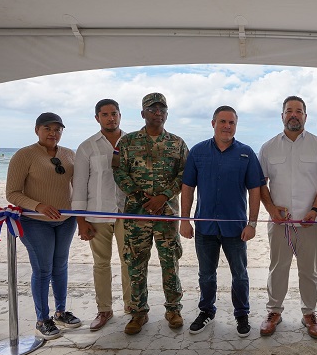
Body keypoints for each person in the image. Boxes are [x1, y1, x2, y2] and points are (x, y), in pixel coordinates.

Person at [180, 106, 265, 337]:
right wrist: (185, 220)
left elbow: (256, 189)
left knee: (240, 274)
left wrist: (253, 224)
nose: (227, 126)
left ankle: (242, 314)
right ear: (213, 123)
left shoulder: (246, 153)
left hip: (236, 228)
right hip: (205, 227)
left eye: (232, 123)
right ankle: (206, 311)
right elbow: (187, 187)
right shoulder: (197, 152)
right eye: (223, 121)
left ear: (236, 125)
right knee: (206, 274)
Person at [258, 96, 317, 339]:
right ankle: (274, 312)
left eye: (299, 111)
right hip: (279, 223)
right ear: (282, 116)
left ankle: (309, 314)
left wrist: (314, 210)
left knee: (309, 271)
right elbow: (260, 183)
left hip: (310, 222)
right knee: (278, 268)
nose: (294, 115)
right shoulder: (268, 147)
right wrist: (270, 209)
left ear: (305, 116)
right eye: (289, 111)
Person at [113, 92, 189, 335]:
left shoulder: (177, 143)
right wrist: (139, 196)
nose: (158, 113)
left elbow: (184, 176)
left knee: (170, 262)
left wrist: (163, 196)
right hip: (136, 214)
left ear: (167, 113)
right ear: (143, 113)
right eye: (152, 109)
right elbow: (119, 172)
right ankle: (138, 313)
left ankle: (174, 309)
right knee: (135, 263)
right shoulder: (126, 143)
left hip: (166, 215)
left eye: (162, 109)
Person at [5, 112, 82, 340]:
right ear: (37, 130)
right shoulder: (24, 155)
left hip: (66, 221)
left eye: (57, 129)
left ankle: (60, 312)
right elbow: (12, 192)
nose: (53, 133)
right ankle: (42, 319)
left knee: (61, 267)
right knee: (43, 270)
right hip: (36, 222)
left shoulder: (69, 154)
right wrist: (38, 205)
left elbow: (80, 183)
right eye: (47, 128)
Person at [73, 98, 134, 332]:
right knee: (101, 264)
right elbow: (78, 186)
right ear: (97, 118)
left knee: (129, 262)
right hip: (97, 215)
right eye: (105, 114)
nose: (111, 118)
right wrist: (81, 221)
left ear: (120, 115)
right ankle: (104, 309)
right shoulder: (87, 147)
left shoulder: (131, 142)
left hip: (127, 214)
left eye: (115, 113)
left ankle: (132, 306)